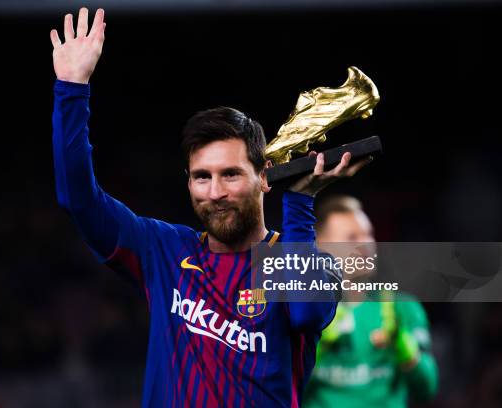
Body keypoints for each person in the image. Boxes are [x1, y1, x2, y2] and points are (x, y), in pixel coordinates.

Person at [50, 8, 370, 407]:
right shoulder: (163, 250)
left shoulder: (312, 266)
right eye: (202, 177)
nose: (215, 191)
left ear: (263, 177)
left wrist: (301, 202)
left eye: (231, 174)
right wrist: (72, 88)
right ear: (188, 182)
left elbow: (305, 314)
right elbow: (78, 199)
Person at [301, 195, 438, 408]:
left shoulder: (402, 308)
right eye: (352, 237)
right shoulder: (298, 314)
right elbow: (277, 395)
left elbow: (427, 388)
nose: (366, 244)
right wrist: (315, 350)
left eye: (369, 234)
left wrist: (404, 347)